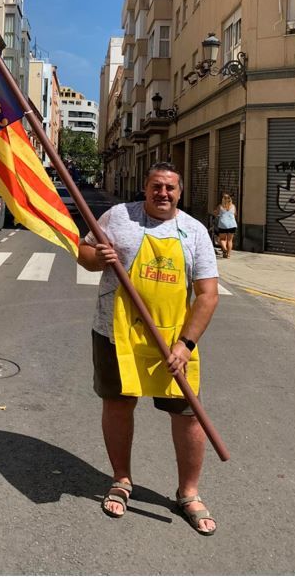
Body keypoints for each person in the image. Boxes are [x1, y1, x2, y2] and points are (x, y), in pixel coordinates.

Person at [78, 162, 219, 535]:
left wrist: (186, 344)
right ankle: (122, 480)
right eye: (157, 186)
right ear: (145, 187)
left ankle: (188, 493)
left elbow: (207, 294)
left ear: (180, 191)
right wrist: (98, 258)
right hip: (115, 334)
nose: (163, 194)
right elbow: (84, 255)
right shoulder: (118, 216)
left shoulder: (194, 231)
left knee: (189, 416)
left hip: (173, 344)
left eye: (171, 188)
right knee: (119, 404)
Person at [213, 193, 237, 258]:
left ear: (223, 199)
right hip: (232, 225)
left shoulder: (220, 206)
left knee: (222, 239)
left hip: (223, 224)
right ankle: (228, 254)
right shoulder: (233, 206)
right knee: (230, 240)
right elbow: (235, 214)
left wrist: (216, 213)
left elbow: (216, 213)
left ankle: (225, 250)